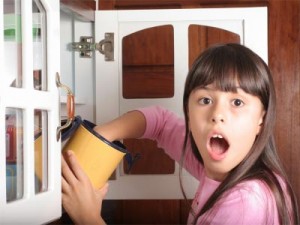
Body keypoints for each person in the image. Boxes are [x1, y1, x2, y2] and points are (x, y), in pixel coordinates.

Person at [62, 43, 299, 224]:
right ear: (188, 110)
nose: (217, 114)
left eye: (237, 102)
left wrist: (89, 218)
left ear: (261, 119)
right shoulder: (221, 167)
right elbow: (161, 123)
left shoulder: (246, 201)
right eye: (205, 100)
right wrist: (100, 136)